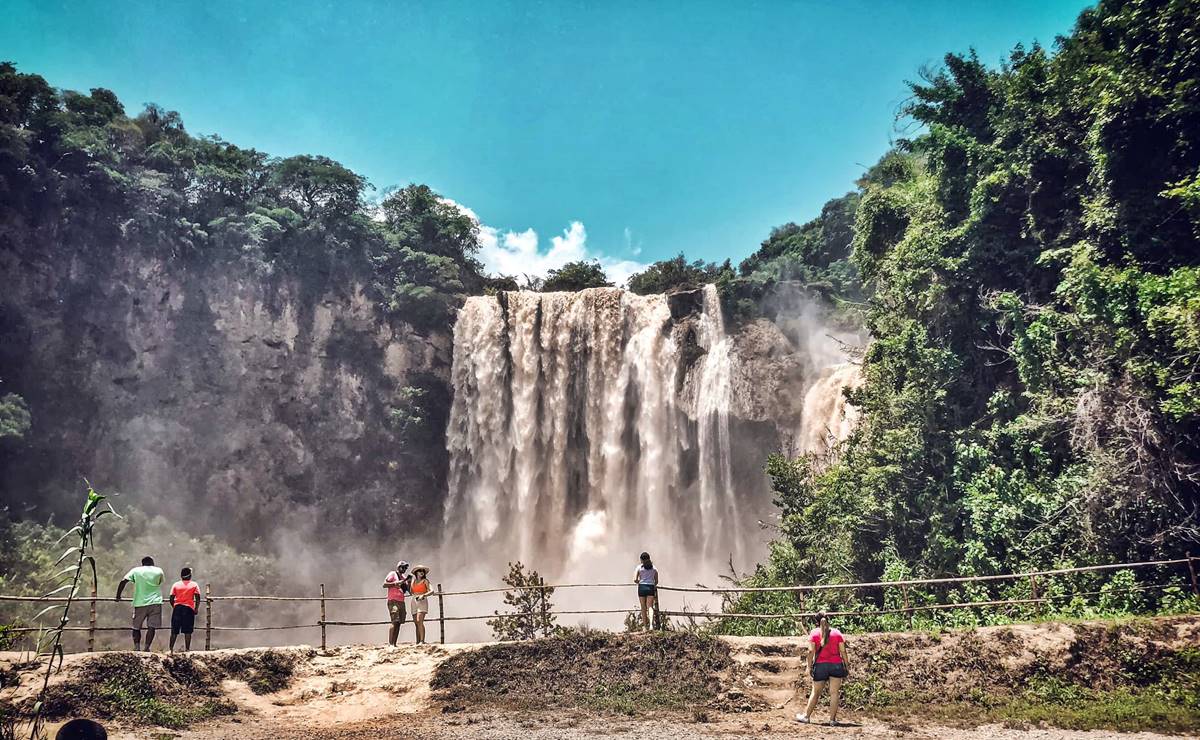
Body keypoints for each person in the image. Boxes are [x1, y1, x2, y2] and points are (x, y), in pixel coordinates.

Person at [796, 611, 850, 726]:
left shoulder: (814, 633)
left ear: (816, 622)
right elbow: (843, 651)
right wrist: (846, 664)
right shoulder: (837, 633)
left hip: (820, 665)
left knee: (815, 692)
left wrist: (809, 666)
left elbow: (811, 651)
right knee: (834, 693)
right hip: (836, 664)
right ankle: (832, 720)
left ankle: (806, 716)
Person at [115, 555, 165, 651]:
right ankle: (147, 648)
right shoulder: (159, 570)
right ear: (152, 563)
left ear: (142, 564)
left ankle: (137, 647)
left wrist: (118, 596)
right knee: (152, 627)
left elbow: (123, 581)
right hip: (156, 601)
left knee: (136, 626)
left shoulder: (136, 570)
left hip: (140, 602)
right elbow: (159, 582)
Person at [168, 567, 201, 653]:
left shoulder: (175, 585)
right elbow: (197, 597)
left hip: (177, 608)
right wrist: (196, 608)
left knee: (174, 630)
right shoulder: (194, 585)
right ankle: (187, 649)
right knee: (188, 631)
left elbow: (171, 598)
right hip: (189, 609)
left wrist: (174, 606)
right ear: (190, 575)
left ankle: (171, 649)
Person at [382, 560, 411, 647]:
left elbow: (408, 591)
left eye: (405, 568)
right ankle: (390, 644)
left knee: (399, 622)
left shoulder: (403, 577)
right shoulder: (393, 574)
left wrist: (409, 582)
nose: (404, 569)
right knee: (394, 621)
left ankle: (394, 643)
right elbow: (384, 584)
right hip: (393, 600)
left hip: (401, 601)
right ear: (398, 567)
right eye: (403, 567)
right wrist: (395, 583)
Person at [634, 551, 659, 630]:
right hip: (650, 587)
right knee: (650, 607)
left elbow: (635, 579)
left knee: (643, 607)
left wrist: (640, 582)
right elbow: (656, 581)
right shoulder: (654, 568)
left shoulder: (639, 568)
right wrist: (652, 583)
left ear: (641, 560)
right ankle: (651, 625)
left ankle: (645, 626)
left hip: (641, 587)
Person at [409, 565, 432, 644]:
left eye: (423, 571)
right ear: (416, 573)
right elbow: (411, 592)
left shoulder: (425, 581)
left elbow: (432, 591)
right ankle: (418, 641)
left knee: (419, 621)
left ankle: (422, 640)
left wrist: (424, 595)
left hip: (422, 599)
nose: (421, 572)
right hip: (414, 600)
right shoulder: (413, 581)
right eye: (419, 570)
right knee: (416, 622)